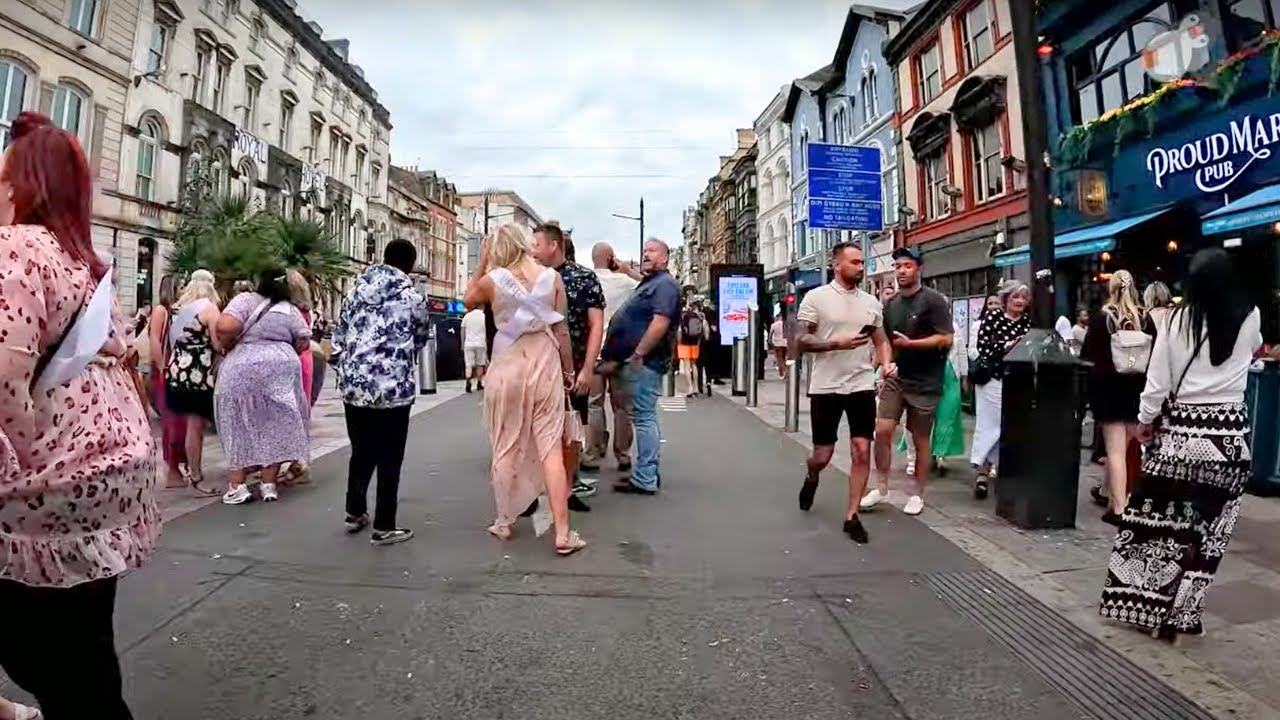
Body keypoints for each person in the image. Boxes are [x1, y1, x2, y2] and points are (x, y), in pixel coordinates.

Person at [0, 111, 158, 720]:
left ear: (20, 184)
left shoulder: (16, 251)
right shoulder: (83, 261)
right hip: (110, 476)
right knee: (87, 649)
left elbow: (4, 381)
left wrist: (24, 448)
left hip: (47, 482)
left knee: (45, 657)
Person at [1101, 248, 1262, 642]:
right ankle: (1184, 613)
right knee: (1210, 536)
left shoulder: (1176, 321)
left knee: (1158, 530)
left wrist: (1142, 423)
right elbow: (1254, 346)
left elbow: (1157, 383)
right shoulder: (1250, 315)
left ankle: (1148, 608)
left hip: (1181, 442)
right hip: (1229, 444)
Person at [464, 224, 586, 555]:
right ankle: (563, 533)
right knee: (551, 449)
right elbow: (561, 330)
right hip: (544, 359)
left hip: (508, 363)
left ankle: (503, 521)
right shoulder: (552, 278)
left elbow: (468, 301)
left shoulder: (493, 281)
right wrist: (569, 370)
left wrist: (483, 261)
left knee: (504, 443)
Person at [330, 239, 430, 545]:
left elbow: (339, 335)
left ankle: (354, 509)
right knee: (390, 456)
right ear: (410, 266)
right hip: (393, 388)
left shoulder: (355, 292)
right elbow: (422, 337)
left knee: (361, 450)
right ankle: (385, 524)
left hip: (356, 386)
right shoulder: (413, 298)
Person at [795, 242, 894, 543]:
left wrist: (886, 364)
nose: (860, 267)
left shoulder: (871, 303)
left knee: (862, 449)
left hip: (861, 383)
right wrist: (834, 344)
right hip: (826, 385)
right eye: (854, 262)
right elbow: (800, 340)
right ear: (836, 265)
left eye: (862, 263)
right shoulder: (816, 298)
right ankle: (812, 475)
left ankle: (852, 516)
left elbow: (881, 340)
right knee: (822, 455)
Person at [865, 247, 953, 516]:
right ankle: (881, 487)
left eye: (907, 266)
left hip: (926, 381)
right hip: (897, 378)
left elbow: (946, 339)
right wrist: (884, 363)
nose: (901, 271)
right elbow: (885, 342)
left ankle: (917, 494)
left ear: (918, 269)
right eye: (898, 266)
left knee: (920, 439)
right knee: (882, 430)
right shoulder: (890, 305)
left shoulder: (934, 301)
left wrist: (912, 344)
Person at [214, 267, 312, 506]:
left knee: (237, 422)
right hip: (281, 367)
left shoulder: (245, 300)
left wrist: (229, 342)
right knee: (275, 423)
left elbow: (225, 326)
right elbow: (304, 338)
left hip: (243, 365)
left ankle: (238, 486)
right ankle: (269, 484)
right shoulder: (289, 309)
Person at [530, 223, 603, 506]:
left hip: (572, 367)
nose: (532, 251)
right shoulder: (527, 277)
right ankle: (532, 490)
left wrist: (587, 368)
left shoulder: (584, 278)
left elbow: (596, 324)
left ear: (554, 245)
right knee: (533, 430)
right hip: (536, 367)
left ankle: (568, 488)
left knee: (571, 430)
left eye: (537, 244)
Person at [601, 239, 682, 495]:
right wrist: (626, 269)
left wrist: (639, 352)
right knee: (639, 415)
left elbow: (660, 322)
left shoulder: (666, 285)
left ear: (666, 258)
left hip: (646, 362)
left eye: (652, 251)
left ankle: (645, 477)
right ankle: (644, 473)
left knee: (644, 417)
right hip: (633, 360)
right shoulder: (654, 282)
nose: (646, 254)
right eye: (644, 250)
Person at [1081, 269, 1154, 523]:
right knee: (1132, 450)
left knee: (1115, 452)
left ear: (1111, 289)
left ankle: (1120, 507)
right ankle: (1119, 500)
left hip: (1109, 389)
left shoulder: (1103, 318)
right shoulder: (1145, 318)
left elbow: (1089, 356)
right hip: (1137, 389)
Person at [968, 283, 1032, 499]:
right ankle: (983, 472)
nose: (1020, 302)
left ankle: (1005, 469)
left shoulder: (1028, 323)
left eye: (1024, 298)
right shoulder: (993, 318)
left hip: (1018, 380)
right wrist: (1007, 346)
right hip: (992, 378)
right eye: (1016, 297)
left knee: (1011, 426)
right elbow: (983, 347)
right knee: (991, 424)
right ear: (1007, 299)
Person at [164, 268, 223, 495]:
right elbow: (218, 345)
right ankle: (196, 476)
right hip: (197, 372)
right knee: (195, 426)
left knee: (191, 424)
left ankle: (192, 471)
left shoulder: (178, 310)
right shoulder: (209, 309)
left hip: (177, 369)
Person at [584, 242, 638, 473]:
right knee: (622, 407)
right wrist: (626, 269)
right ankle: (623, 454)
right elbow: (648, 285)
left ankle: (594, 452)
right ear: (611, 258)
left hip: (594, 350)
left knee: (594, 404)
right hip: (621, 351)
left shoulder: (586, 280)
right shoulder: (624, 282)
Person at [676, 300, 707, 396]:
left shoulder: (683, 316)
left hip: (685, 343)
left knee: (686, 365)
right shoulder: (699, 317)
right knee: (694, 365)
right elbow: (704, 330)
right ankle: (696, 387)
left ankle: (689, 388)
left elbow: (680, 330)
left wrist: (679, 341)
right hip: (695, 343)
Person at [462, 306, 489, 393]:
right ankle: (479, 383)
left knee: (468, 364)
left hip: (469, 343)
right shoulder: (484, 316)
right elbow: (488, 331)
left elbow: (462, 331)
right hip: (481, 343)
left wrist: (463, 343)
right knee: (480, 364)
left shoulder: (467, 316)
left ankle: (468, 381)